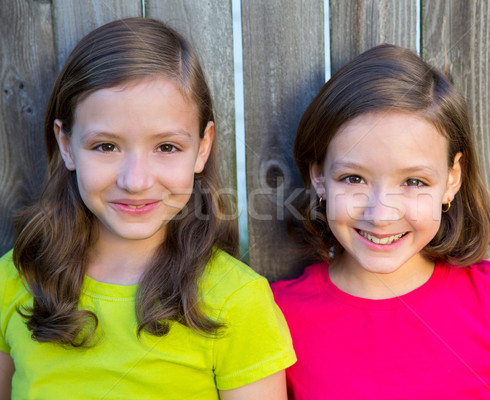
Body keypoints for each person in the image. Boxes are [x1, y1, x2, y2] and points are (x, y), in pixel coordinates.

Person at [0, 18, 295, 400]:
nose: (135, 181)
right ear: (67, 144)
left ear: (202, 147)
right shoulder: (14, 281)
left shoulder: (236, 301)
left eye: (166, 147)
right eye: (106, 146)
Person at [272, 44, 490, 399]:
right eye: (354, 179)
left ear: (452, 179)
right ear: (318, 177)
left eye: (413, 182)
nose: (381, 214)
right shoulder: (277, 318)